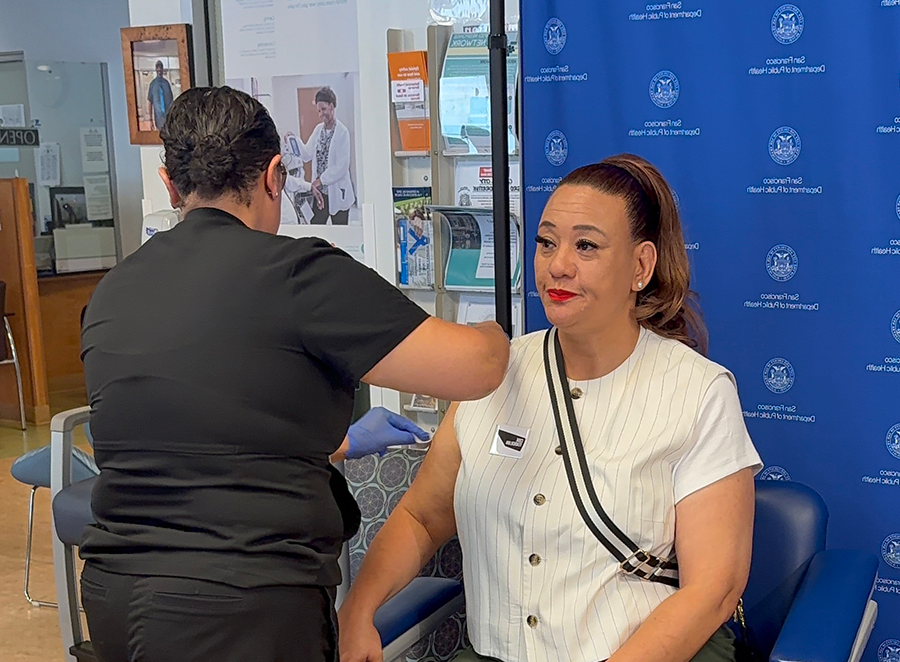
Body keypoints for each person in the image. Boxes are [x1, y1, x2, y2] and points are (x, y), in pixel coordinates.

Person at [78, 86, 510, 662]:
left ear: (169, 184)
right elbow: (476, 370)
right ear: (275, 175)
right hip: (243, 606)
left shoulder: (112, 293)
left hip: (115, 596)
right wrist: (496, 334)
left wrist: (345, 441)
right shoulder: (297, 274)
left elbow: (203, 436)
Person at [339, 154, 763, 662]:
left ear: (641, 267)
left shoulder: (698, 392)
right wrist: (356, 612)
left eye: (586, 245)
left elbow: (713, 589)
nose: (558, 265)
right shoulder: (492, 373)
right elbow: (421, 518)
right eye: (546, 242)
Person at [296, 86, 354, 225]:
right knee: (317, 228)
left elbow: (341, 166)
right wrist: (294, 140)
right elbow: (307, 154)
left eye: (323, 109)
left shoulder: (342, 132)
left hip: (337, 191)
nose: (321, 114)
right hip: (320, 192)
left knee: (340, 230)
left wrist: (320, 180)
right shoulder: (318, 130)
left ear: (332, 106)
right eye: (319, 111)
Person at [147, 60, 174, 131]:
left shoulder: (166, 84)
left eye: (160, 67)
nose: (159, 69)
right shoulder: (152, 84)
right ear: (156, 69)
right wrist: (150, 120)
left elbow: (172, 101)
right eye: (158, 68)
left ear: (162, 69)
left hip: (168, 118)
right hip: (158, 119)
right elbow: (150, 102)